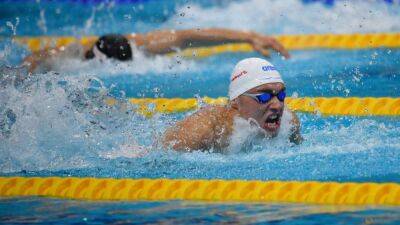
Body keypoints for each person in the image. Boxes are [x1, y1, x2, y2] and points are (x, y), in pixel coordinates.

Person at [163, 57, 302, 152]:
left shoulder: (289, 124)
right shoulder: (203, 130)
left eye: (281, 95)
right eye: (264, 97)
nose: (277, 106)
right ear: (236, 101)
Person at [22, 28, 289, 72]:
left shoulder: (140, 45)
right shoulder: (64, 56)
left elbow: (186, 36)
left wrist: (248, 37)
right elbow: (30, 62)